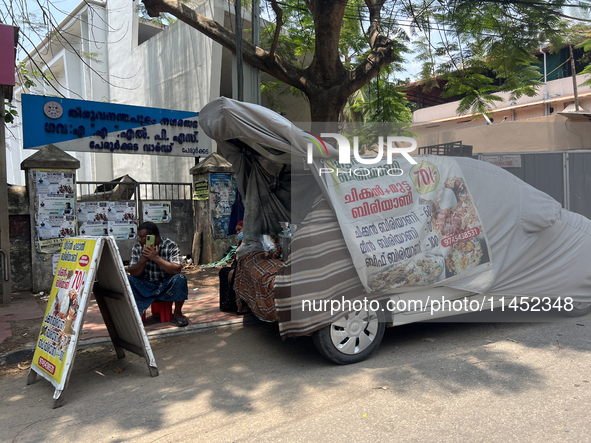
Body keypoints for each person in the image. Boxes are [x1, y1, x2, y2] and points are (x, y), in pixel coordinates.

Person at [127, 222, 189, 326]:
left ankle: (177, 313)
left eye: (143, 237)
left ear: (153, 236)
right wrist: (144, 259)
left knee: (180, 279)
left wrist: (156, 258)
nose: (139, 240)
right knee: (126, 279)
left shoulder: (171, 246)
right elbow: (133, 273)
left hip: (165, 285)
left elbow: (177, 270)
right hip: (145, 285)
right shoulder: (137, 247)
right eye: (139, 237)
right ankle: (134, 313)